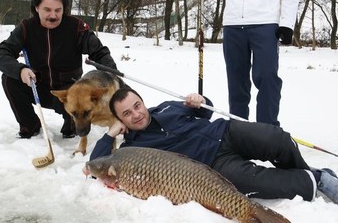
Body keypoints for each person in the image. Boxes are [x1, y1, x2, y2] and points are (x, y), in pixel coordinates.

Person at [90, 87, 338, 204]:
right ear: (121, 120)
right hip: (213, 165)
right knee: (258, 182)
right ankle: (318, 180)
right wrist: (110, 134)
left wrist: (200, 99)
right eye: (126, 114)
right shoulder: (132, 150)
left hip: (225, 132)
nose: (136, 114)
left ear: (143, 103)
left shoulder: (166, 107)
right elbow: (95, 167)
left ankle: (306, 169)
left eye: (137, 106)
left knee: (276, 138)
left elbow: (206, 111)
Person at [0, 0, 117, 139]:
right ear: (36, 7)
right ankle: (30, 125)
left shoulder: (76, 27)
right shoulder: (26, 28)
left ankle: (71, 124)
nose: (53, 15)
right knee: (9, 79)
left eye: (58, 10)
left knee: (76, 100)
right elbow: (1, 53)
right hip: (37, 86)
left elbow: (99, 52)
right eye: (47, 10)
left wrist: (111, 74)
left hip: (69, 91)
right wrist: (20, 70)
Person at [189, 0, 299, 126]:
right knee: (236, 81)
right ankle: (238, 129)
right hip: (233, 24)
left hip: (265, 22)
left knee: (266, 76)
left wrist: (287, 23)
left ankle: (267, 130)